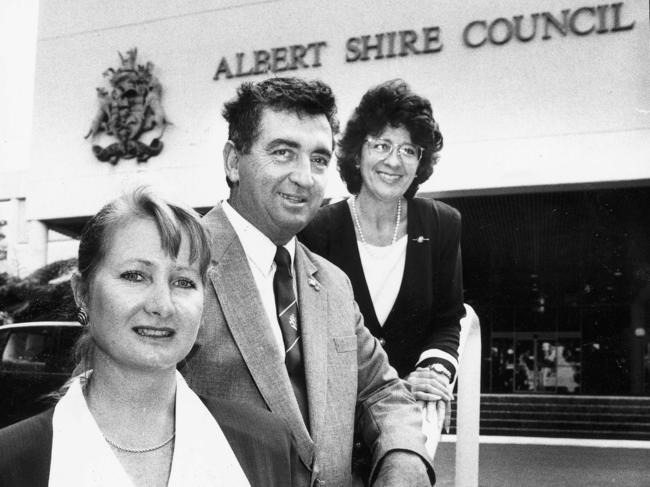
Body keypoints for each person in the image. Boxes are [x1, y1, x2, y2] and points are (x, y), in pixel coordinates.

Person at [180, 77, 434, 486]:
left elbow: (382, 391)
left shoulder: (333, 284)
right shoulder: (181, 263)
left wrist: (404, 461)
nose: (305, 177)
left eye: (319, 160)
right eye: (283, 153)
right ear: (232, 162)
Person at [0, 188, 295, 487]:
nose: (162, 305)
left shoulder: (266, 445)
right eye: (135, 276)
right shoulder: (11, 461)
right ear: (83, 294)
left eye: (183, 282)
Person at [299, 79, 465, 436]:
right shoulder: (315, 230)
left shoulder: (442, 224)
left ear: (420, 163)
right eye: (382, 145)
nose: (394, 161)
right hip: (334, 416)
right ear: (358, 153)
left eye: (409, 150)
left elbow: (448, 320)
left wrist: (434, 372)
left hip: (409, 413)